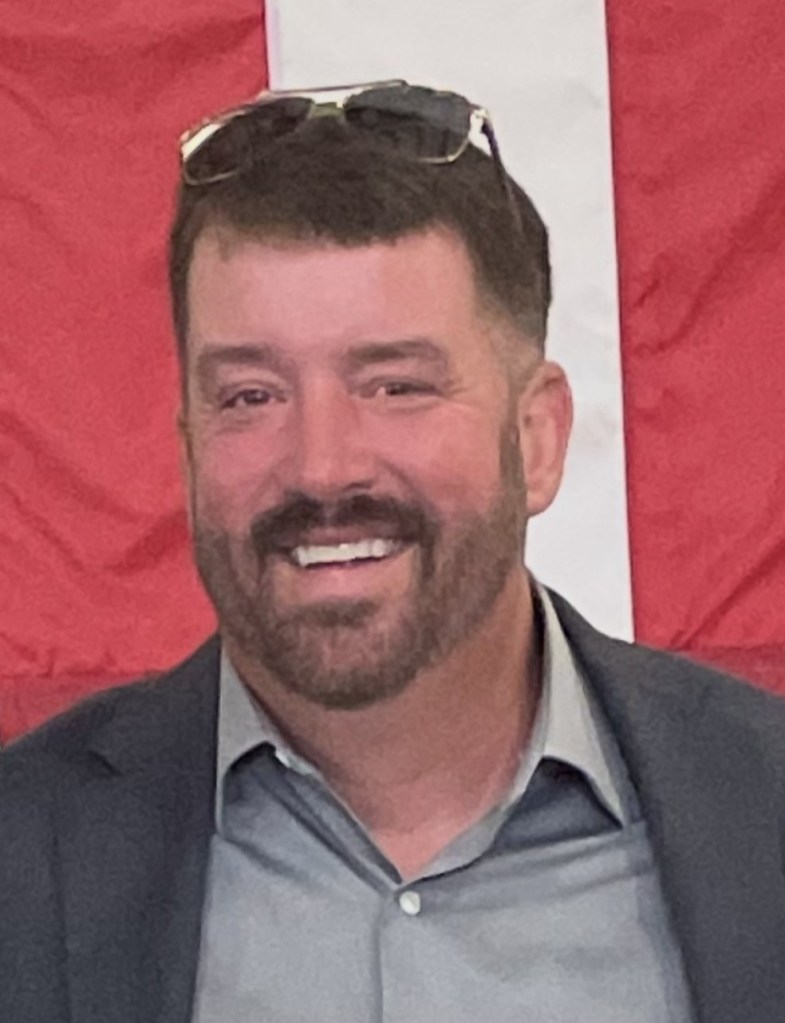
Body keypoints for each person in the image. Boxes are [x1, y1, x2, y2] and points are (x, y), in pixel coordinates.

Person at [1, 80, 784, 1023]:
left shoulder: (762, 808)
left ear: (535, 438)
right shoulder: (23, 851)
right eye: (250, 395)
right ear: (187, 446)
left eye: (395, 385)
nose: (322, 466)